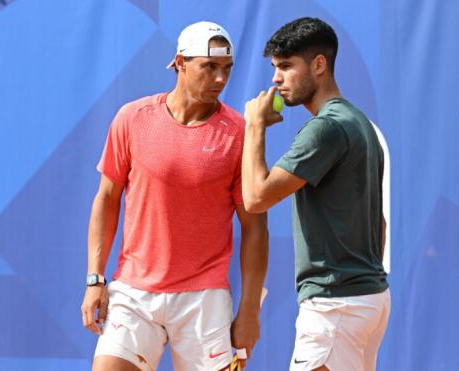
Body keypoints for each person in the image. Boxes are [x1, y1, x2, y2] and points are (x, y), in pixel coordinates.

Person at [81, 21, 268, 371]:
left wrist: (250, 312)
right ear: (180, 62)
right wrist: (95, 279)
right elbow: (107, 199)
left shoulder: (239, 133)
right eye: (209, 67)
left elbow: (255, 228)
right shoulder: (132, 118)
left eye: (227, 69)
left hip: (205, 300)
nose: (220, 79)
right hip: (135, 293)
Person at [242, 17, 390, 371]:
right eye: (275, 68)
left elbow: (255, 198)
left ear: (319, 65)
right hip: (368, 300)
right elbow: (379, 224)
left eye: (286, 67)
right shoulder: (359, 123)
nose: (276, 79)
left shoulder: (324, 128)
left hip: (335, 306)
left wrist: (254, 127)